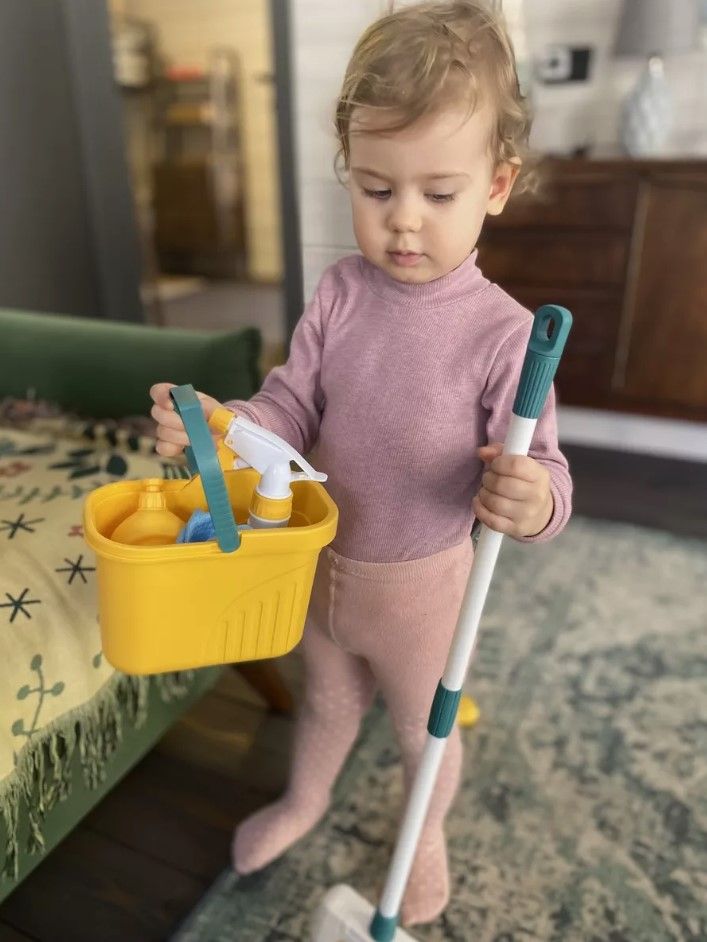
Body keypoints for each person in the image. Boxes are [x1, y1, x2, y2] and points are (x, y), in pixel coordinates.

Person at [150, 0, 573, 927]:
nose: (404, 223)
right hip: (321, 568)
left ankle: (423, 836)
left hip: (422, 592)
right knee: (328, 704)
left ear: (496, 185)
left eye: (438, 194)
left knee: (425, 732)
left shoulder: (504, 336)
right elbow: (291, 406)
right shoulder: (339, 291)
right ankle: (304, 800)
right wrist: (225, 425)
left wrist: (533, 496)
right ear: (348, 167)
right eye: (376, 190)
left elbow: (545, 469)